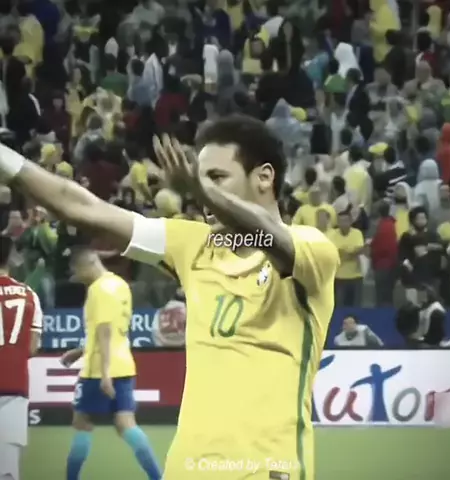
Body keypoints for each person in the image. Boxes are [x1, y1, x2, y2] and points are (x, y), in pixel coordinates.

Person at [0, 114, 339, 480]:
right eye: (200, 178)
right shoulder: (192, 245)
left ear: (264, 177)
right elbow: (82, 207)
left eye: (217, 177)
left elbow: (269, 237)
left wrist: (200, 189)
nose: (203, 193)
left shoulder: (312, 250)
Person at [60, 247, 161, 480]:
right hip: (124, 365)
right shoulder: (120, 284)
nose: (77, 276)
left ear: (86, 265)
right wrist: (80, 350)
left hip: (99, 368)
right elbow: (112, 329)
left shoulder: (99, 289)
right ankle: (158, 477)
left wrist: (105, 374)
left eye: (76, 271)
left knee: (82, 422)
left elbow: (104, 331)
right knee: (125, 423)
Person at [0, 234, 43, 480]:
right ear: (10, 258)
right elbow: (32, 348)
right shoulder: (29, 295)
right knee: (7, 465)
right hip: (14, 385)